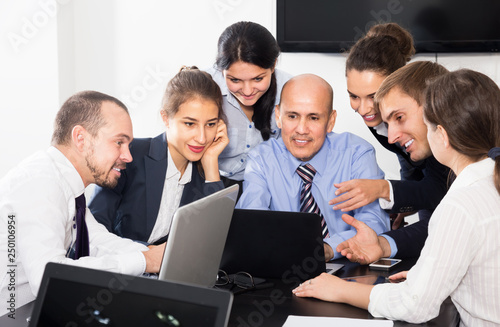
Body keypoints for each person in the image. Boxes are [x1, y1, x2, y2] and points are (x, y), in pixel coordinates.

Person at [293, 69, 500, 326]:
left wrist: (338, 289)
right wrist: (427, 274)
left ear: (442, 135)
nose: (391, 137)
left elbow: (414, 305)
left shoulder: (460, 205)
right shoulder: (487, 185)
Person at [0, 91, 165, 315]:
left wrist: (153, 254)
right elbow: (49, 277)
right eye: (119, 142)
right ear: (81, 138)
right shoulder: (41, 183)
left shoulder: (67, 184)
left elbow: (97, 241)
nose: (128, 156)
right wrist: (144, 261)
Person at [236, 74, 390, 261]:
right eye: (292, 116)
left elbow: (375, 224)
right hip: (281, 265)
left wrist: (327, 249)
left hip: (349, 264)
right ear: (278, 116)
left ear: (330, 121)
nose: (301, 129)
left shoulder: (357, 154)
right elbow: (251, 224)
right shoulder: (261, 159)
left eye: (314, 118)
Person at [89, 67, 228, 244]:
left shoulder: (205, 176)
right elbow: (93, 231)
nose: (202, 138)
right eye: (189, 123)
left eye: (210, 124)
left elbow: (213, 243)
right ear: (165, 118)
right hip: (120, 267)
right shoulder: (129, 155)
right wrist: (146, 256)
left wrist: (211, 163)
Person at [331, 23, 449, 231]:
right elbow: (408, 161)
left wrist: (384, 189)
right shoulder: (374, 115)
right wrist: (405, 200)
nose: (364, 109)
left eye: (373, 96)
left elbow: (441, 185)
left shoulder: (434, 114)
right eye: (353, 96)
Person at [339, 61, 451, 261]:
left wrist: (384, 189)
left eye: (399, 117)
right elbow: (437, 226)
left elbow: (438, 196)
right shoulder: (379, 125)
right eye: (354, 96)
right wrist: (382, 243)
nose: (391, 138)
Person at [206, 21, 292, 195]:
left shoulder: (290, 90)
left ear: (274, 65)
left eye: (258, 79)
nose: (247, 91)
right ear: (221, 69)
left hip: (269, 185)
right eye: (235, 80)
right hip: (212, 180)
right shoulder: (203, 88)